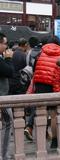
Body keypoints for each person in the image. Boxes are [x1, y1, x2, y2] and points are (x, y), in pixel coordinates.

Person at [24, 36, 60, 148]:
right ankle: (54, 141)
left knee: (41, 112)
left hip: (40, 84)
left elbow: (35, 69)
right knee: (54, 114)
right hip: (54, 84)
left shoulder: (39, 54)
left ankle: (40, 141)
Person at [0, 32, 15, 160]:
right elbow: (9, 72)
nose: (6, 47)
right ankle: (3, 155)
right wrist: (9, 59)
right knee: (8, 123)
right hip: (2, 97)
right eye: (5, 43)